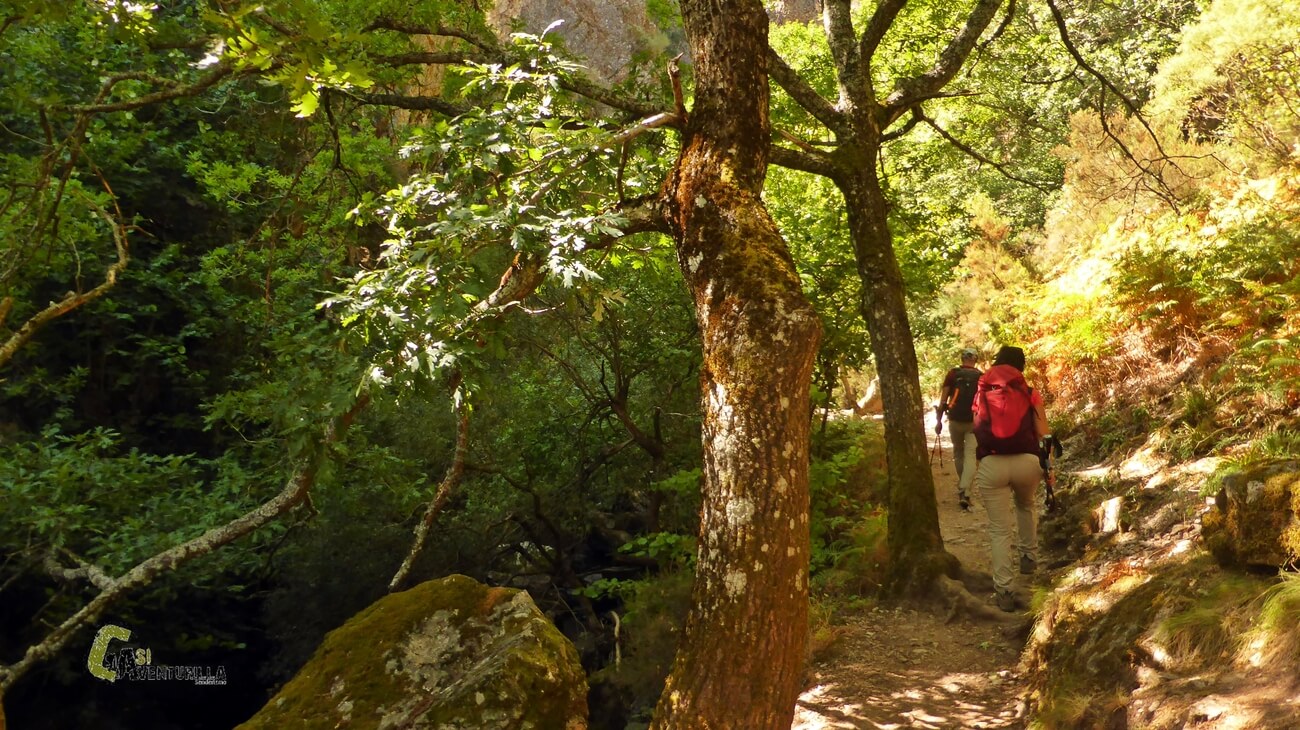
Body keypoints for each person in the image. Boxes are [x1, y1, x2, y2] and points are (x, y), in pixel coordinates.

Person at [971, 345, 1049, 612]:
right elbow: (1043, 432)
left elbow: (976, 427)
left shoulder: (982, 391)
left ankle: (1004, 590)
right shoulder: (1029, 392)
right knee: (1026, 505)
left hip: (992, 464)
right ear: (1020, 366)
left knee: (999, 529)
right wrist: (1048, 466)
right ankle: (1028, 558)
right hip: (1027, 462)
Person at [936, 347, 982, 511]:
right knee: (971, 455)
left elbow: (943, 401)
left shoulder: (953, 374)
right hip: (973, 421)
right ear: (975, 360)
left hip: (955, 419)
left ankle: (963, 489)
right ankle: (965, 490)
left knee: (958, 452)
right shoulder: (981, 376)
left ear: (962, 359)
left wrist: (938, 421)